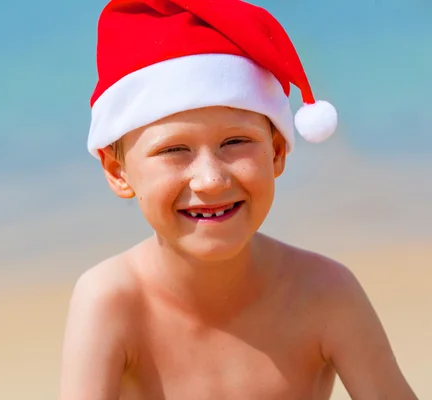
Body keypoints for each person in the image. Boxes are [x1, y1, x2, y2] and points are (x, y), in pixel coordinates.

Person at [58, 0, 419, 398]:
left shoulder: (325, 293)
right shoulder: (112, 301)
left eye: (235, 142)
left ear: (278, 151)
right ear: (117, 171)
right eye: (174, 150)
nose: (211, 180)